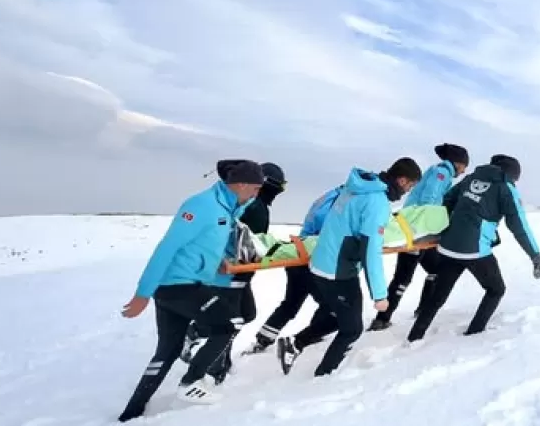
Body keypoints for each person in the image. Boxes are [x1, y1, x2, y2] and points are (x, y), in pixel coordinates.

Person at [116, 160, 266, 421]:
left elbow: (205, 241)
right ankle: (191, 383)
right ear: (240, 185)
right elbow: (167, 248)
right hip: (179, 285)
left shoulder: (227, 207)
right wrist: (143, 294)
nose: (255, 195)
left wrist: (217, 261)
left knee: (168, 350)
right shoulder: (201, 206)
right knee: (227, 325)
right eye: (254, 189)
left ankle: (132, 412)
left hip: (182, 286)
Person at [276, 158, 423, 377]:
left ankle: (295, 344)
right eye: (410, 186)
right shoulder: (377, 203)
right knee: (352, 329)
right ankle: (323, 376)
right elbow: (370, 250)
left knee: (341, 317)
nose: (408, 191)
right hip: (338, 270)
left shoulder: (357, 188)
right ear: (402, 180)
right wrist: (380, 295)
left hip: (321, 261)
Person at [408, 154, 540, 342]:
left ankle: (414, 337)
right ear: (511, 175)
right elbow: (519, 225)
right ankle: (474, 335)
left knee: (438, 295)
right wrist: (535, 255)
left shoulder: (470, 178)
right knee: (496, 289)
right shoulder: (505, 188)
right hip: (475, 251)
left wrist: (450, 227)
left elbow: (447, 200)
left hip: (449, 246)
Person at [181, 162, 286, 382]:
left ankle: (197, 331)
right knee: (231, 321)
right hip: (228, 275)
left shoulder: (256, 206)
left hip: (241, 273)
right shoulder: (252, 206)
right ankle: (214, 367)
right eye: (279, 187)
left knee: (247, 314)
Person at [368, 142, 470, 331]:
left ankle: (422, 309)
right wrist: (433, 225)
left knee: (435, 270)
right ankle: (382, 319)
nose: (464, 171)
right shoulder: (441, 173)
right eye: (464, 166)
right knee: (404, 277)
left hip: (419, 230)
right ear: (457, 163)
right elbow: (429, 201)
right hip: (416, 232)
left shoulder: (440, 172)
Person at [240, 182, 340, 355]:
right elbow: (328, 231)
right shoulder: (340, 203)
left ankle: (263, 339)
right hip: (311, 258)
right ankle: (309, 338)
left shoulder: (329, 196)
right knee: (330, 304)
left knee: (291, 303)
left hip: (297, 254)